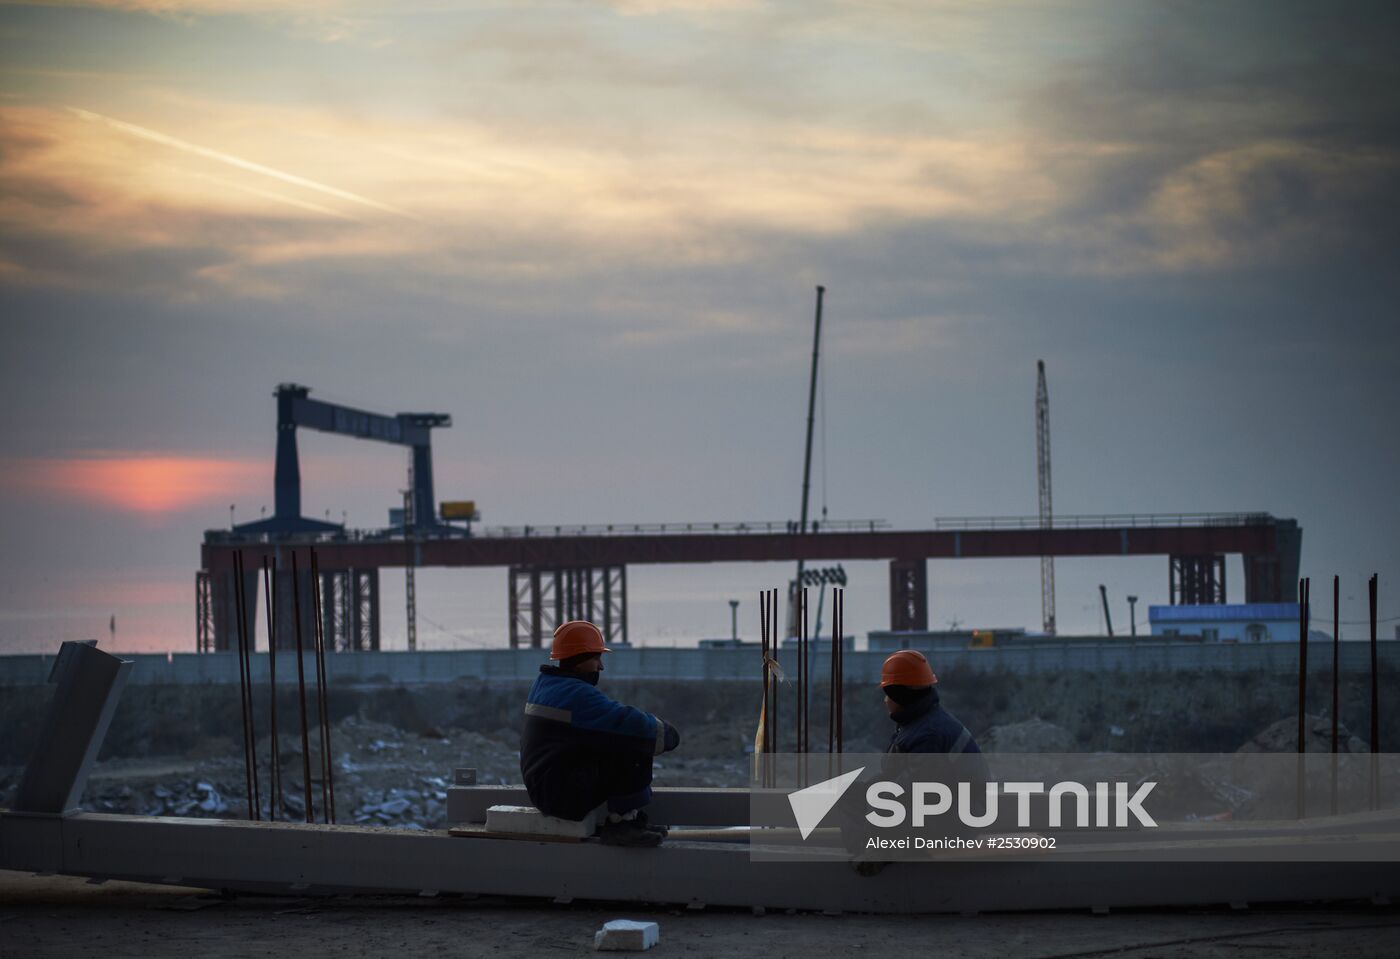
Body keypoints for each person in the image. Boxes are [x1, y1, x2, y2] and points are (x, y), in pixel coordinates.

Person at [520, 620, 681, 847]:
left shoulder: (547, 685)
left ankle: (631, 819)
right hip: (558, 795)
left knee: (612, 740)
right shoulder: (574, 695)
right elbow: (627, 723)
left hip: (547, 787)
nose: (601, 667)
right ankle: (622, 824)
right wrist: (666, 733)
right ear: (579, 660)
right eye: (596, 658)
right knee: (633, 743)